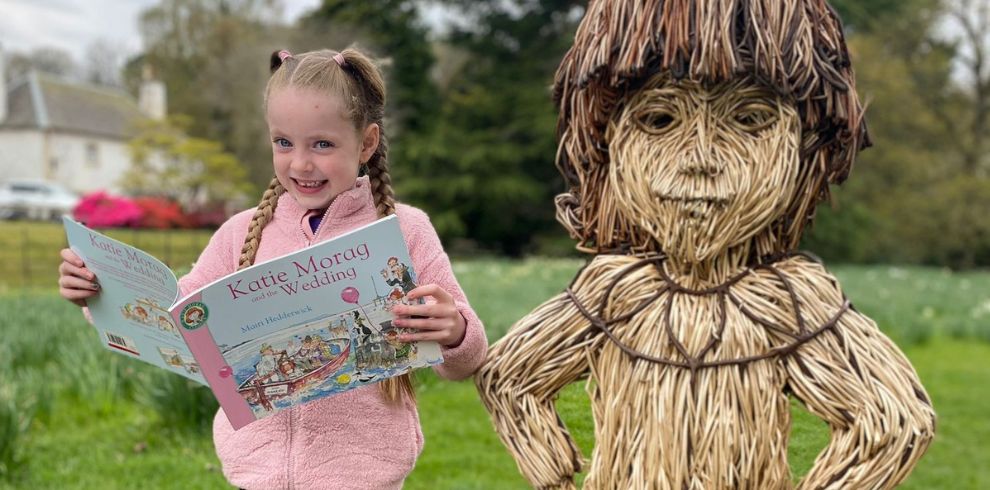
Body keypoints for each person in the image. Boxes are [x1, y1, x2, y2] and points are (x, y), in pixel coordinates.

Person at [57, 47, 488, 489]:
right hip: (255, 476)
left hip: (363, 477)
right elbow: (177, 314)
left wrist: (452, 329)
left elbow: (465, 360)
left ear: (367, 143)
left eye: (322, 144)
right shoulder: (240, 233)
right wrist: (98, 290)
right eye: (283, 142)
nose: (300, 163)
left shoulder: (405, 230)